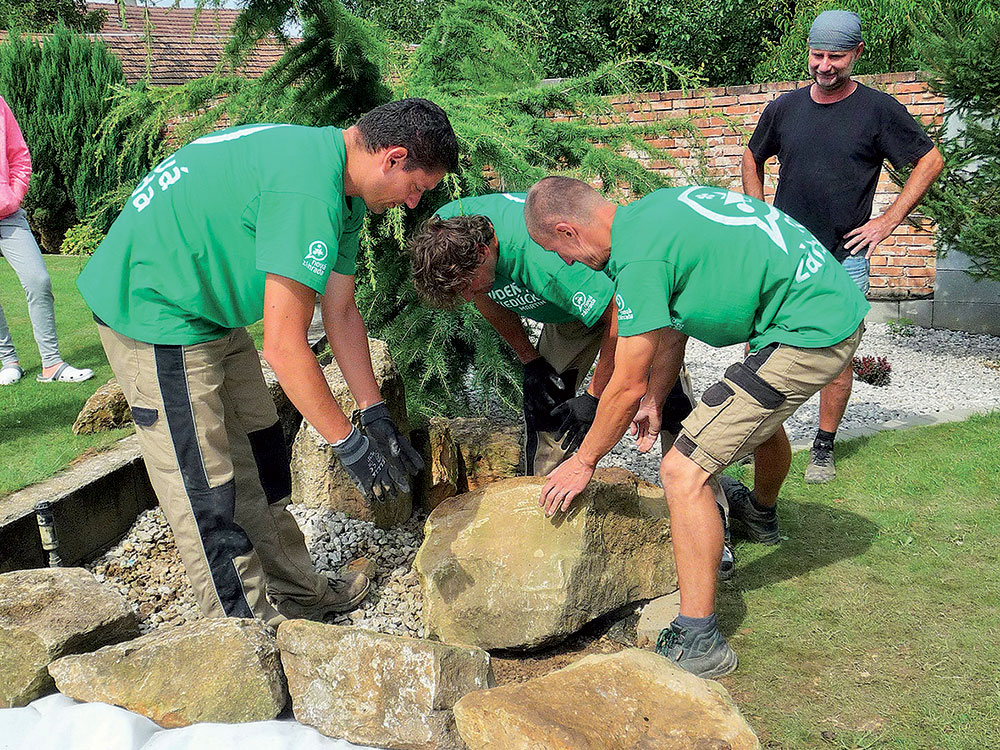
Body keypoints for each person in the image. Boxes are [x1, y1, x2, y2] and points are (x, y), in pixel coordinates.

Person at [77, 98, 457, 626]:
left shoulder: (342, 189)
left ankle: (299, 590)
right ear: (392, 158)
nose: (414, 204)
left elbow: (341, 311)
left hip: (209, 307)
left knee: (259, 453)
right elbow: (284, 347)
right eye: (416, 187)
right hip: (156, 307)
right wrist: (345, 441)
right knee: (205, 483)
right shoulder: (307, 192)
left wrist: (373, 412)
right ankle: (246, 639)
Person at [523, 177, 868, 677]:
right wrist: (658, 398)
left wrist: (583, 461)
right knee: (751, 419)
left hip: (809, 332)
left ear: (568, 230)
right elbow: (674, 325)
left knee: (683, 470)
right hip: (820, 308)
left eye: (561, 252)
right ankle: (761, 515)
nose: (570, 265)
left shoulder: (639, 259)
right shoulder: (653, 216)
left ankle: (699, 637)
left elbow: (622, 384)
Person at [742, 10, 943, 484]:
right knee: (761, 346)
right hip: (784, 256)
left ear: (856, 54)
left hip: (844, 256)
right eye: (817, 54)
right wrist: (760, 215)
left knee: (835, 353)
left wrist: (888, 221)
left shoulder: (877, 110)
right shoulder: (785, 108)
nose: (825, 65)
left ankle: (823, 446)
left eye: (836, 56)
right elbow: (752, 156)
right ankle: (758, 437)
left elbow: (930, 160)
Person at [407, 192, 697, 474]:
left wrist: (595, 396)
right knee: (545, 404)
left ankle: (700, 495)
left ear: (484, 252)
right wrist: (530, 360)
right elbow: (486, 297)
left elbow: (616, 313)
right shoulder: (446, 233)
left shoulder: (548, 263)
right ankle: (545, 497)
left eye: (468, 285)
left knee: (665, 399)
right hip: (566, 311)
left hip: (628, 303)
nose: (469, 297)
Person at [0, 95, 93, 386]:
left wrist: (13, 196)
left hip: (8, 214)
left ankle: (51, 363)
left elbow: (19, 155)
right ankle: (8, 361)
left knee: (38, 280)